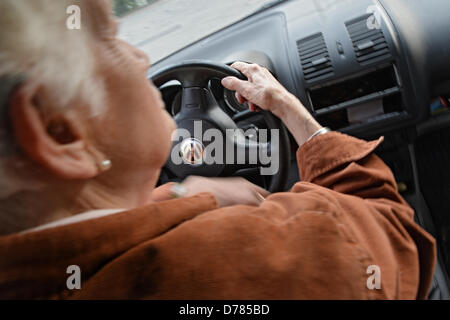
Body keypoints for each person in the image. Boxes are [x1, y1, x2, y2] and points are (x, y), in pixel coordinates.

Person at [0, 0, 435, 299]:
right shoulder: (254, 260)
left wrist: (174, 197)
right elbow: (397, 235)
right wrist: (295, 116)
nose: (140, 59)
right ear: (59, 133)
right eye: (110, 40)